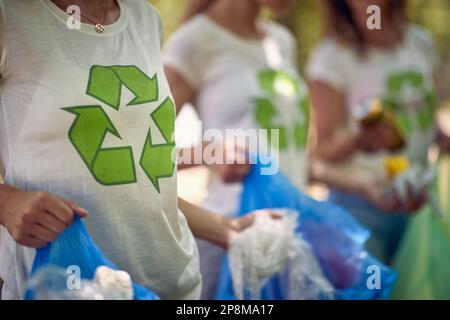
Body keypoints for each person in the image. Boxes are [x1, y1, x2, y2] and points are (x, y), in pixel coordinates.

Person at [0, 0, 271, 300]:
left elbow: (141, 187)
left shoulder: (146, 20)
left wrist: (227, 228)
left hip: (178, 289)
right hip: (71, 288)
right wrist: (6, 202)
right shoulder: (10, 17)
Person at [164, 0, 309, 299]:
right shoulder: (193, 42)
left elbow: (295, 149)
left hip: (290, 231)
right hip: (231, 236)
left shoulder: (282, 41)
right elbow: (137, 154)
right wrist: (208, 153)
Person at [306, 0, 438, 263]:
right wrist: (357, 141)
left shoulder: (420, 43)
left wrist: (439, 135)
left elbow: (423, 121)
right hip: (360, 210)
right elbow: (318, 154)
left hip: (418, 205)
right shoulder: (331, 57)